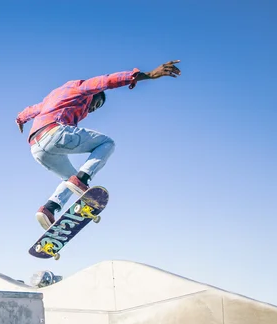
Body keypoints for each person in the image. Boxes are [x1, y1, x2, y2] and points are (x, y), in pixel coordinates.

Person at [15, 60, 181, 230]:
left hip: (36, 147)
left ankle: (49, 209)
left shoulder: (52, 98)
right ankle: (82, 179)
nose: (94, 108)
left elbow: (33, 109)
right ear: (93, 95)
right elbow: (106, 81)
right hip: (54, 133)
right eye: (97, 103)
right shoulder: (81, 87)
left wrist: (20, 119)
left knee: (68, 179)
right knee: (107, 143)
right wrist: (148, 75)